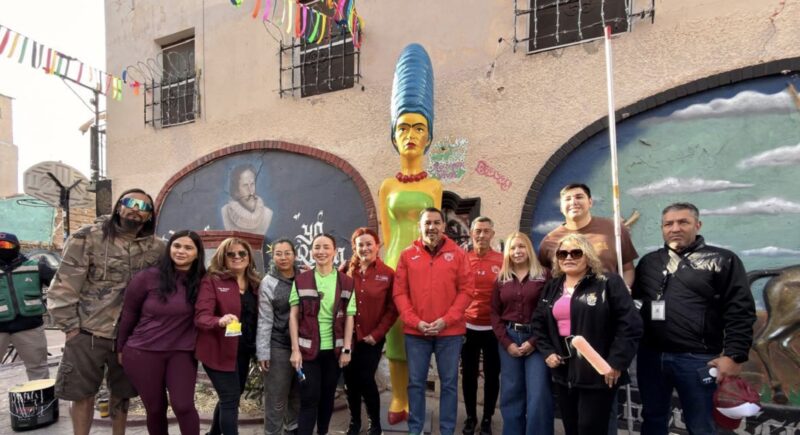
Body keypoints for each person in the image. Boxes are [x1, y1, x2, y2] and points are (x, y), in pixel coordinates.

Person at [48, 188, 164, 435]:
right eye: (131, 202)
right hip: (88, 331)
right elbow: (64, 284)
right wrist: (70, 328)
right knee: (82, 394)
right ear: (119, 206)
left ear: (149, 216)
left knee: (122, 394)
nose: (136, 209)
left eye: (144, 207)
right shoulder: (88, 237)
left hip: (130, 336)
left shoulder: (157, 248)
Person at [633, 203, 756, 435]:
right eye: (669, 223)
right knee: (652, 418)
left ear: (697, 225)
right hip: (651, 358)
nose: (675, 228)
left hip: (698, 360)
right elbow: (635, 304)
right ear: (662, 228)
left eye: (683, 222)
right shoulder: (649, 262)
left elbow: (740, 311)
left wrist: (734, 356)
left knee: (701, 425)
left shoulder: (722, 260)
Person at [377, 42, 443, 425]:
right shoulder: (387, 185)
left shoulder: (434, 185)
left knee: (421, 329)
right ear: (394, 135)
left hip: (422, 263)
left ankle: (417, 391)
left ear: (429, 137)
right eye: (404, 127)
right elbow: (386, 233)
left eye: (420, 128)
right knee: (396, 332)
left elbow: (432, 228)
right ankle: (399, 396)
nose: (411, 135)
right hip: (393, 260)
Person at [533, 234, 642, 435]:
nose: (568, 257)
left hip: (598, 371)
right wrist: (547, 352)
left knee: (590, 429)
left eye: (576, 252)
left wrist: (616, 363)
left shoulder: (608, 283)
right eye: (562, 253)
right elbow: (538, 323)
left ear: (588, 256)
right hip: (563, 372)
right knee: (571, 428)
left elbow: (630, 325)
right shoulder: (552, 287)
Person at [393, 208, 474, 435]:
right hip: (416, 333)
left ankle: (447, 431)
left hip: (450, 333)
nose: (432, 227)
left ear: (444, 226)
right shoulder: (407, 255)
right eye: (427, 223)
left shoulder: (458, 254)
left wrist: (446, 320)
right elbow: (399, 293)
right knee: (416, 384)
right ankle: (415, 429)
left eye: (437, 222)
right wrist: (414, 321)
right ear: (419, 226)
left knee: (448, 384)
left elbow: (467, 291)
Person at [117, 230, 205, 435]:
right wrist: (120, 347)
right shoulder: (147, 278)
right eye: (177, 246)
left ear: (197, 253)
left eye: (188, 247)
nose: (181, 251)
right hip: (142, 351)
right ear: (169, 249)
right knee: (155, 409)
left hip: (182, 352)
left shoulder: (203, 281)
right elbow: (129, 314)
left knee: (183, 406)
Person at [289, 233, 356, 435]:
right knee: (309, 398)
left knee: (327, 397)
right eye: (317, 247)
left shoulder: (346, 282)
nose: (321, 251)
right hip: (307, 351)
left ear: (335, 252)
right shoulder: (301, 281)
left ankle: (323, 432)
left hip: (334, 352)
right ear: (311, 251)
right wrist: (295, 351)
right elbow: (293, 317)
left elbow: (349, 318)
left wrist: (346, 349)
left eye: (326, 247)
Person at [195, 237, 261, 435]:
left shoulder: (254, 283)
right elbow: (201, 316)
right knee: (230, 397)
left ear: (249, 257)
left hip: (242, 351)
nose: (237, 257)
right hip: (217, 350)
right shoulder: (212, 280)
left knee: (230, 396)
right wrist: (219, 321)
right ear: (222, 258)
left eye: (242, 253)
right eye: (230, 254)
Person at [490, 232, 553, 435]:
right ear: (507, 252)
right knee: (511, 393)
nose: (517, 251)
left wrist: (534, 341)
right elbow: (494, 313)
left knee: (538, 394)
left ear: (529, 249)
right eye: (513, 248)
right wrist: (506, 342)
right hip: (509, 339)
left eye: (521, 246)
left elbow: (549, 311)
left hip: (537, 340)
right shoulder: (501, 279)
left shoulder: (544, 275)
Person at [342, 228, 398, 435]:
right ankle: (355, 422)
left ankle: (375, 424)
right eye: (360, 244)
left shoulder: (388, 274)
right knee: (349, 381)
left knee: (366, 379)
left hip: (371, 338)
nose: (364, 248)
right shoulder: (346, 270)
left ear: (377, 245)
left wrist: (377, 334)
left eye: (368, 244)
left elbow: (393, 309)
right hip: (348, 338)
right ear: (354, 248)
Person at [538, 183, 637, 286]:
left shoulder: (614, 229)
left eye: (579, 197)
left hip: (608, 299)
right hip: (568, 300)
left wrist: (623, 291)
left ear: (590, 202)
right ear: (561, 207)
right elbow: (545, 278)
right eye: (567, 199)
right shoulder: (549, 241)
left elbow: (627, 269)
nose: (573, 202)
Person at [461, 217, 503, 435]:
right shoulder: (463, 259)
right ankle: (470, 417)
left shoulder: (502, 260)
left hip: (493, 329)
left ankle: (487, 418)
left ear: (492, 234)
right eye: (478, 231)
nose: (482, 235)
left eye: (486, 231)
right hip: (468, 327)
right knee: (468, 375)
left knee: (492, 375)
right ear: (471, 233)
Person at [256, 238, 301, 435]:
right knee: (276, 397)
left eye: (287, 253)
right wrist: (263, 352)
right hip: (278, 345)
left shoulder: (305, 277)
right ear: (272, 256)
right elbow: (265, 319)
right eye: (278, 253)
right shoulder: (268, 282)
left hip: (304, 344)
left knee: (297, 394)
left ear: (295, 255)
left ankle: (292, 429)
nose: (283, 258)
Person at [0, 231, 54, 380]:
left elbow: (60, 287)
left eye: (6, 245)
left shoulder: (36, 266)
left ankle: (43, 401)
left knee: (38, 368)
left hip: (30, 327)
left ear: (16, 246)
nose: (2, 248)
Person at [221, 164, 274, 235]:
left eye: (252, 184)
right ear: (236, 190)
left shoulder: (267, 213)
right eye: (245, 185)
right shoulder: (225, 211)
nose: (251, 191)